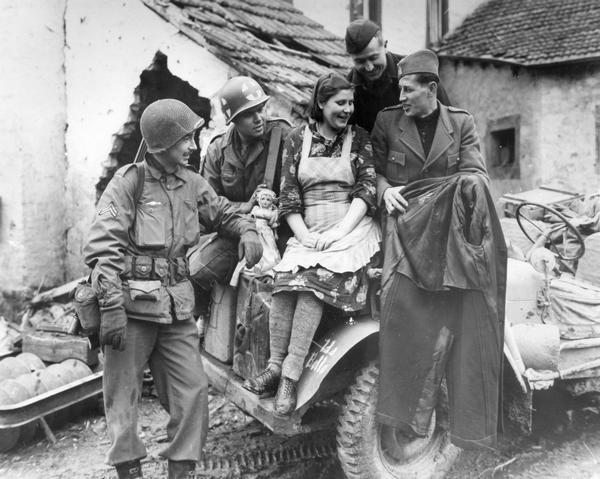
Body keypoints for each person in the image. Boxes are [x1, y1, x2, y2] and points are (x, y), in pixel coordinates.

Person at [83, 99, 262, 479]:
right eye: (187, 139)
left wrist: (246, 229)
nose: (193, 147)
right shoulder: (128, 183)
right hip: (129, 311)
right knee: (123, 398)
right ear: (163, 144)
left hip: (176, 310)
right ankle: (129, 472)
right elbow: (103, 248)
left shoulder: (191, 182)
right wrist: (112, 305)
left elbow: (222, 212)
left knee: (193, 393)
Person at [372, 49, 506, 450]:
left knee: (471, 309)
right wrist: (386, 191)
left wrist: (440, 195)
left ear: (431, 89)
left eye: (409, 89)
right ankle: (399, 418)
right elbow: (372, 172)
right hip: (404, 228)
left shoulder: (461, 123)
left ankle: (470, 427)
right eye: (399, 88)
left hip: (448, 238)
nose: (402, 96)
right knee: (401, 306)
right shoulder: (386, 122)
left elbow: (475, 178)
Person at [242, 72, 381, 415]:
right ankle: (274, 368)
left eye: (351, 103)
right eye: (340, 103)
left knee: (311, 286)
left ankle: (290, 377)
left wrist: (339, 232)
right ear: (321, 103)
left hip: (351, 227)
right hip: (309, 229)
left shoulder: (359, 138)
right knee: (285, 283)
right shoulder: (296, 139)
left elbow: (366, 190)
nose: (347, 109)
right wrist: (303, 235)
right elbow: (289, 194)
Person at [190, 76, 292, 302]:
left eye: (261, 109)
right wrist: (244, 213)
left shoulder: (283, 136)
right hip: (234, 233)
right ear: (233, 119)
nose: (259, 118)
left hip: (280, 233)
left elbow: (298, 193)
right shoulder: (218, 149)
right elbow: (207, 208)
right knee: (197, 270)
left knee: (277, 289)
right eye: (248, 114)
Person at [345, 18, 451, 133]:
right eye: (360, 61)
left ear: (385, 46)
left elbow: (449, 124)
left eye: (373, 58)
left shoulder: (418, 72)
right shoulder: (347, 89)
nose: (369, 67)